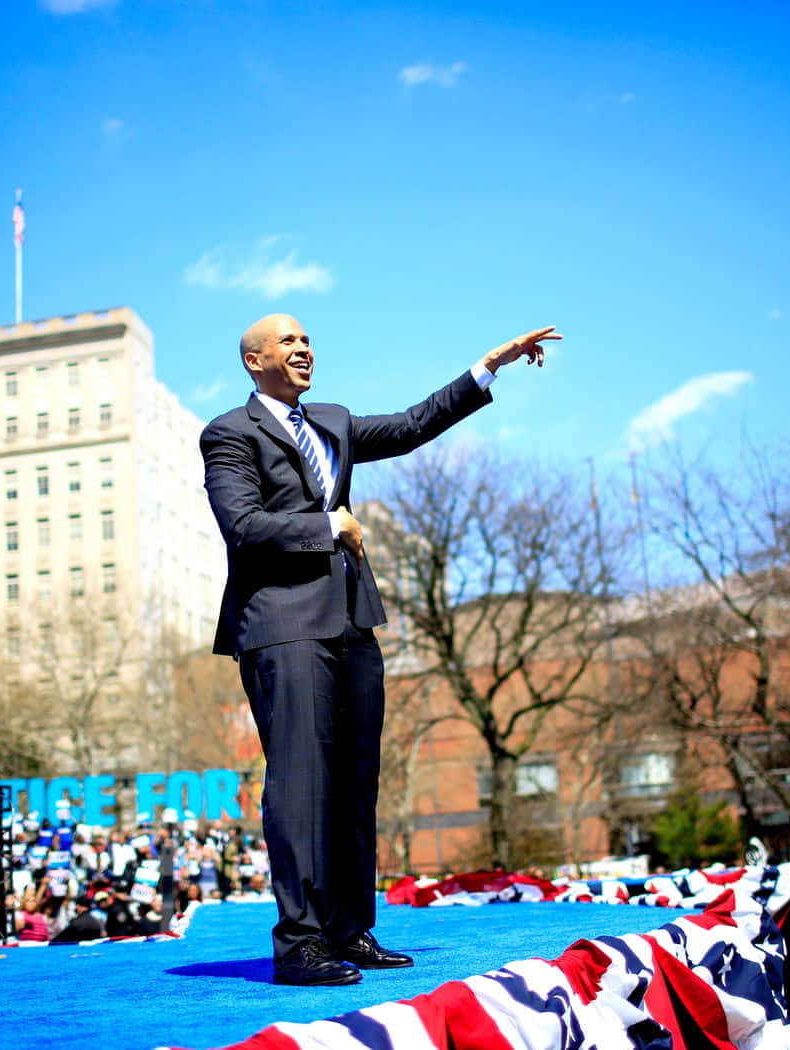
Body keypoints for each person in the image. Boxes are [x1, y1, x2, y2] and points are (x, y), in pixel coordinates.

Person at [200, 314, 559, 986]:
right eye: (288, 341)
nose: (304, 349)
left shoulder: (331, 421)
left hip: (351, 622)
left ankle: (348, 930)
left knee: (354, 781)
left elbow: (411, 425)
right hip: (283, 624)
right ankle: (300, 944)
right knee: (301, 784)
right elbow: (242, 525)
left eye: (308, 339)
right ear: (254, 360)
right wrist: (327, 525)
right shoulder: (229, 433)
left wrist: (488, 367)